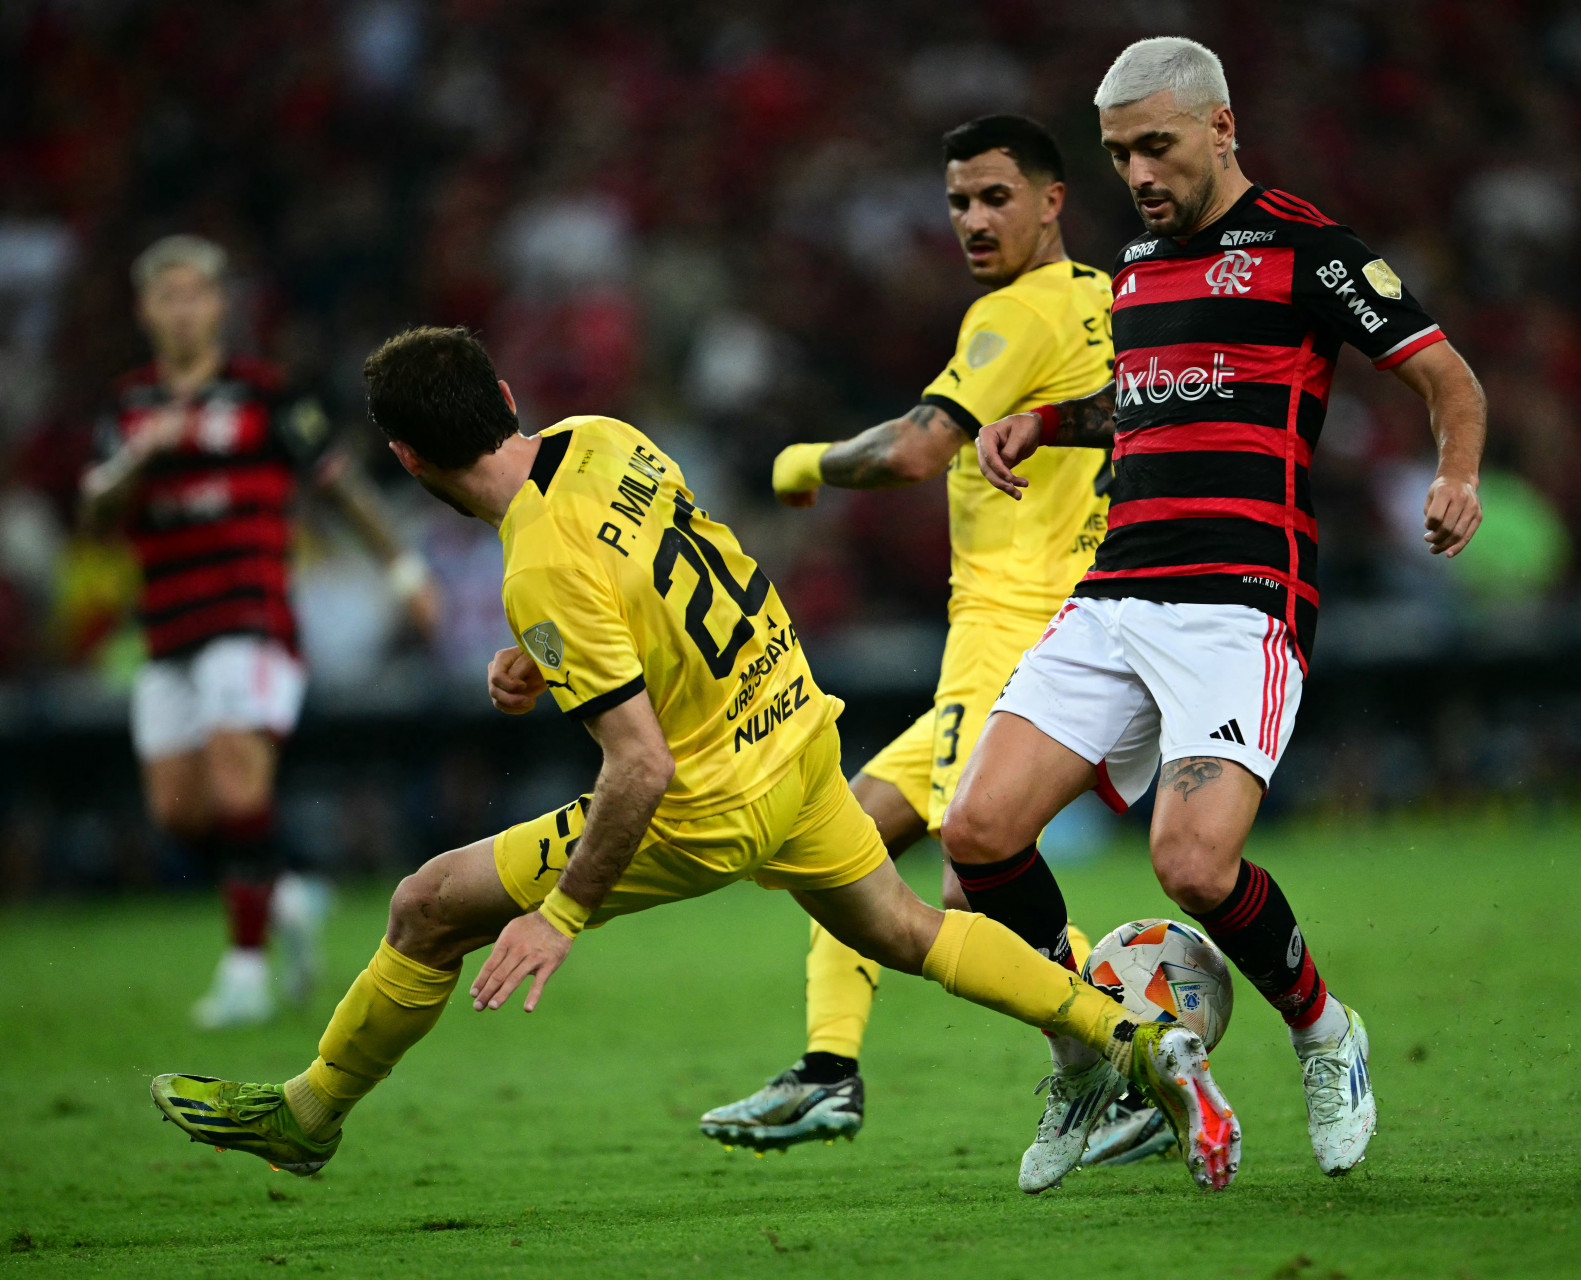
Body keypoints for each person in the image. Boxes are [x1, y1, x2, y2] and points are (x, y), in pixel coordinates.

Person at [148, 326, 1244, 1195]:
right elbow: (661, 581)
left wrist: (559, 913)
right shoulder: (604, 436)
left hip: (709, 795)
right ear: (510, 401)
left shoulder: (538, 567)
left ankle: (309, 1112)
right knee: (906, 928)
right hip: (796, 727)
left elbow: (638, 768)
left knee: (427, 902)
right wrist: (546, 663)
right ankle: (1138, 1041)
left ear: (406, 459)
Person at [950, 37, 1488, 1180]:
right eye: (1116, 154)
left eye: (1157, 144)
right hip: (1116, 590)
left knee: (1191, 864)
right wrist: (1047, 420)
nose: (1137, 174)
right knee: (977, 836)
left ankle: (1324, 1031)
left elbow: (1449, 375)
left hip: (1241, 600)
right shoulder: (1138, 266)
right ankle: (1094, 1059)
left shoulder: (1310, 249)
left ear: (1221, 127)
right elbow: (1147, 399)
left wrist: (1456, 473)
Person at [699, 114, 1163, 1181]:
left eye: (997, 196)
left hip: (1014, 637)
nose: (972, 220)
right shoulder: (1109, 300)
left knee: (967, 885)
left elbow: (915, 449)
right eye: (958, 201)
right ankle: (827, 1067)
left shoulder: (1015, 315)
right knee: (842, 832)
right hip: (1069, 621)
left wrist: (800, 462)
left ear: (1054, 198)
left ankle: (1133, 1056)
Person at [80, 235, 439, 1028]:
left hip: (250, 617)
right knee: (178, 812)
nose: (182, 307)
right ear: (145, 311)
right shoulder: (129, 406)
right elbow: (97, 515)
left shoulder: (265, 394)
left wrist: (406, 574)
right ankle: (287, 895)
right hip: (167, 626)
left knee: (239, 783)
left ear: (218, 305)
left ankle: (245, 972)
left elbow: (341, 490)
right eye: (166, 295)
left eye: (195, 292)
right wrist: (140, 460)